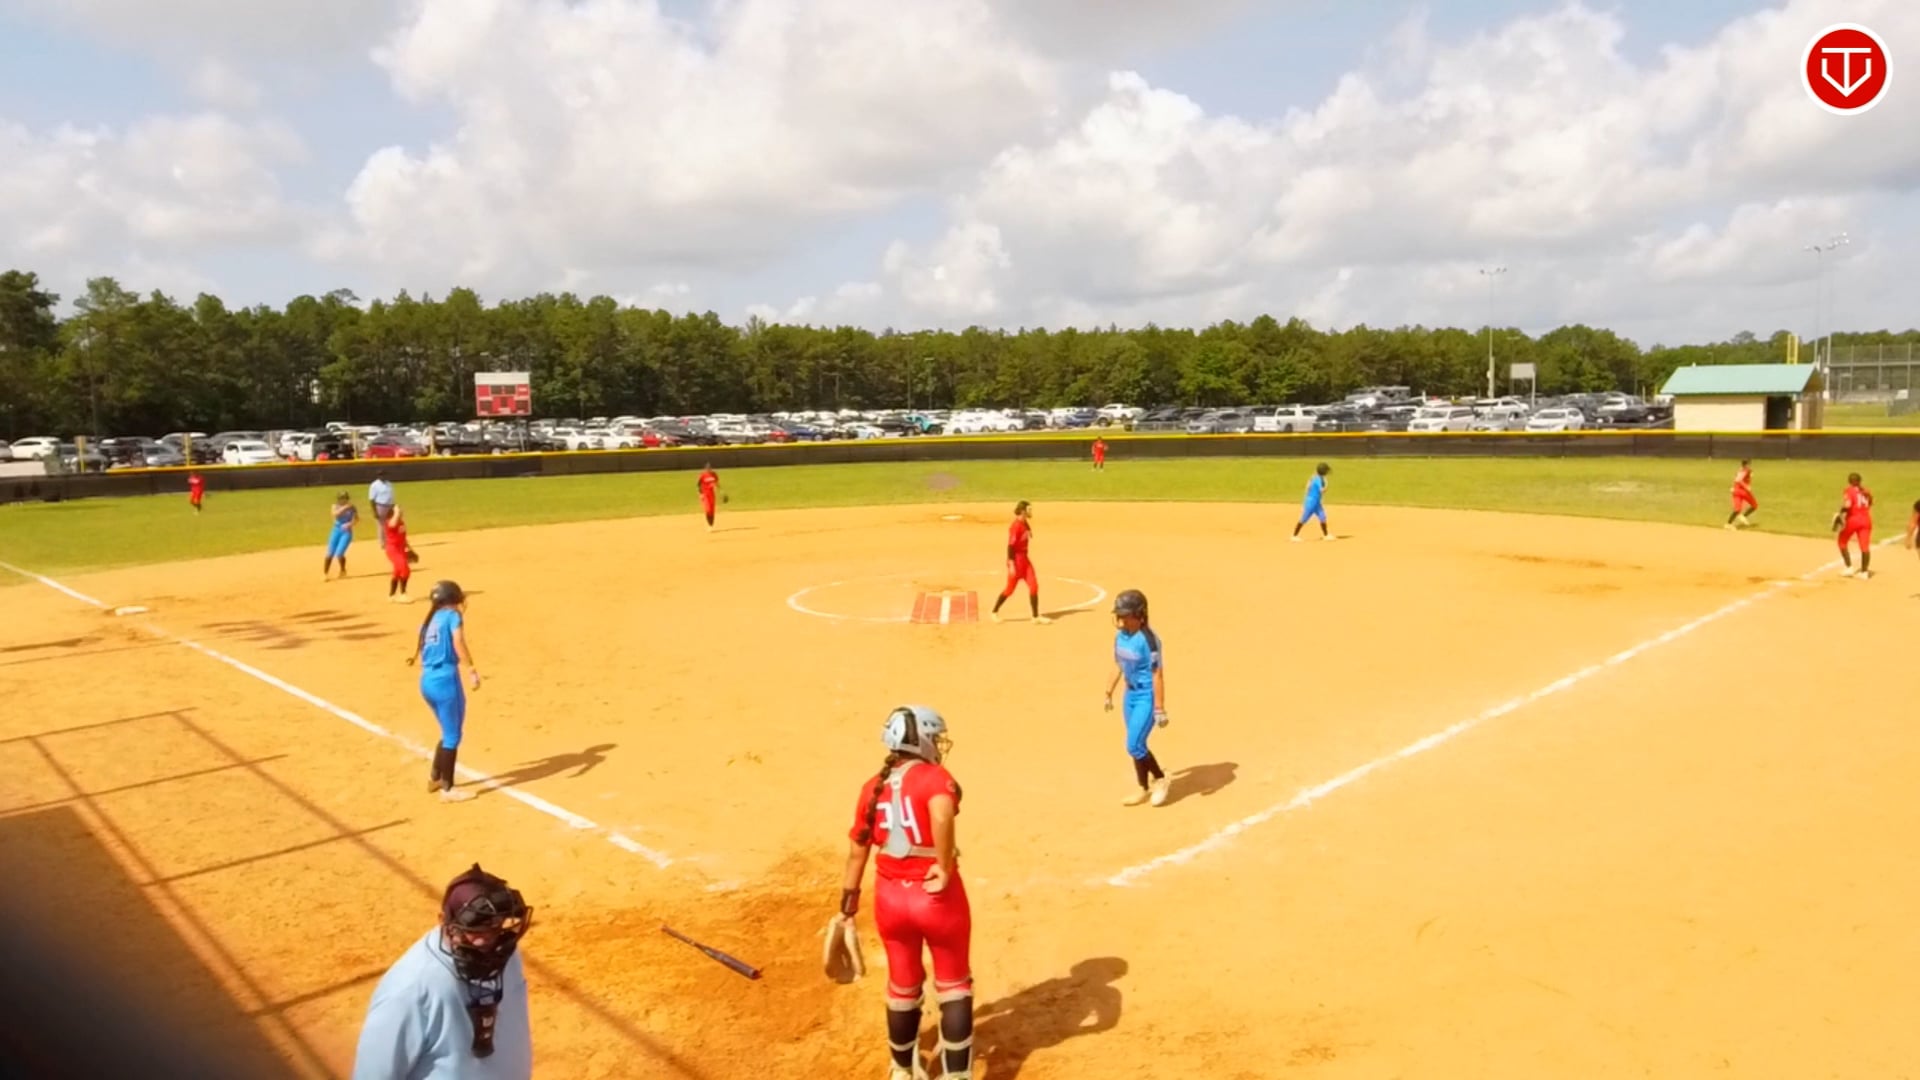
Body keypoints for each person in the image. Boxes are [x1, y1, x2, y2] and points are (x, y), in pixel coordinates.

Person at [836, 705, 974, 1080]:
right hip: (935, 898)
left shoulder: (871, 787)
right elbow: (942, 815)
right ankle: (956, 1076)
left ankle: (901, 1070)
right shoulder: (935, 778)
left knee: (902, 984)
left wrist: (846, 909)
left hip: (890, 898)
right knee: (954, 984)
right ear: (921, 739)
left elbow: (857, 852)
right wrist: (943, 866)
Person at [351, 862, 533, 1080]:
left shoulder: (505, 955)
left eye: (494, 925)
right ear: (443, 922)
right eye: (474, 928)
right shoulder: (410, 989)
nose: (484, 940)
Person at [408, 580, 482, 800]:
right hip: (446, 681)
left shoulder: (428, 622)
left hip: (427, 681)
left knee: (447, 731)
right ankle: (448, 790)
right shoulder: (452, 616)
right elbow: (458, 642)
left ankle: (435, 777)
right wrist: (471, 669)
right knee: (452, 735)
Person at [1103, 589, 1171, 807]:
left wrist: (1159, 708)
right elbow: (1118, 665)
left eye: (1125, 615)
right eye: (1119, 615)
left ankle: (1160, 778)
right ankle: (1143, 787)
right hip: (1130, 694)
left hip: (1146, 696)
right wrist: (1108, 692)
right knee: (1137, 744)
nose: (1121, 619)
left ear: (1139, 614)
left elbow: (1157, 674)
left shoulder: (1149, 641)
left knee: (1133, 745)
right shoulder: (1120, 637)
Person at [989, 500, 1049, 624]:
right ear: (1022, 511)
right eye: (1028, 509)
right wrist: (1011, 564)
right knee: (1009, 590)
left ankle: (1035, 617)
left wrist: (1029, 530)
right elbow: (1010, 546)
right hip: (1016, 561)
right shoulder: (1015, 527)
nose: (1030, 511)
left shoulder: (1024, 522)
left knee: (1034, 586)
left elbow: (1025, 525)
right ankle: (994, 612)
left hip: (1025, 561)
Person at [1833, 472, 1874, 580]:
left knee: (1842, 541)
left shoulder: (1849, 490)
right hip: (1866, 520)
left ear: (1849, 481)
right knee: (1865, 547)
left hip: (1853, 520)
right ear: (1860, 481)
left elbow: (1848, 505)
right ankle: (1864, 572)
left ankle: (1849, 568)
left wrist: (1840, 513)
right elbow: (1870, 503)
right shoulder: (1866, 491)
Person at [1291, 462, 1333, 541]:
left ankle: (1326, 535)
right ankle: (1294, 536)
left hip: (1316, 503)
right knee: (1304, 519)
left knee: (1322, 517)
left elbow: (1307, 487)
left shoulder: (1314, 478)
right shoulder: (1318, 480)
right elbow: (1322, 490)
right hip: (1311, 503)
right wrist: (1327, 485)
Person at [386, 503, 416, 602]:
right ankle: (403, 594)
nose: (401, 511)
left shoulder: (401, 523)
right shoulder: (390, 522)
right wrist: (396, 511)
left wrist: (409, 549)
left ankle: (391, 595)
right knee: (405, 570)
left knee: (397, 572)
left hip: (401, 549)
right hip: (393, 550)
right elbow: (393, 524)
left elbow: (403, 538)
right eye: (399, 510)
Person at [326, 492, 359, 581]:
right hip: (336, 530)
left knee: (339, 553)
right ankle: (325, 573)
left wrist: (350, 524)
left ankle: (343, 570)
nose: (343, 500)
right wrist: (345, 507)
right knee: (330, 553)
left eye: (345, 498)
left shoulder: (352, 507)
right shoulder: (334, 506)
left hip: (346, 531)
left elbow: (356, 519)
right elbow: (335, 514)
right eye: (341, 498)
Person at [1726, 459, 1756, 529]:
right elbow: (1739, 480)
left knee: (1754, 505)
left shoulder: (1744, 471)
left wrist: (1733, 487)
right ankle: (1729, 524)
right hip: (1740, 492)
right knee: (1738, 509)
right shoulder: (1744, 471)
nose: (1749, 466)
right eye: (1748, 464)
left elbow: (1738, 479)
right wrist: (1746, 487)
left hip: (1740, 491)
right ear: (1745, 465)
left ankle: (1742, 517)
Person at [697, 463, 721, 531]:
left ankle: (711, 525)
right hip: (705, 494)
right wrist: (701, 494)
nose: (709, 469)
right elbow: (698, 485)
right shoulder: (702, 475)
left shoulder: (714, 474)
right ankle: (709, 525)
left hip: (712, 494)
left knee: (712, 510)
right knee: (708, 510)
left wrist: (721, 491)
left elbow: (717, 483)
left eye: (710, 468)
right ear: (705, 469)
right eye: (707, 468)